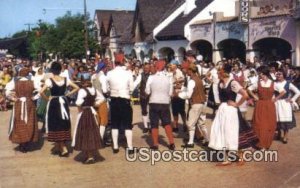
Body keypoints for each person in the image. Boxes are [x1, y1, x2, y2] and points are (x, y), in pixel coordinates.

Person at [209, 64, 257, 166]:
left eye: (219, 71)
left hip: (231, 111)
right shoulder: (220, 83)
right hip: (222, 111)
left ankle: (240, 157)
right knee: (222, 132)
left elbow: (245, 94)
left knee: (233, 132)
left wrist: (237, 104)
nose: (217, 73)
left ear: (224, 72)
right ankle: (227, 159)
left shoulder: (233, 83)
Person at [40, 62, 79, 157]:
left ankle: (63, 147)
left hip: (54, 102)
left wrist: (47, 98)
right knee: (63, 121)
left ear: (52, 71)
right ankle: (60, 145)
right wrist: (68, 94)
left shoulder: (49, 80)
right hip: (63, 101)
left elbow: (41, 92)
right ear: (60, 70)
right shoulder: (66, 79)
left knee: (55, 122)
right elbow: (77, 87)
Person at [248, 66, 286, 150]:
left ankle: (265, 144)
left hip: (269, 105)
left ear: (264, 73)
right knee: (258, 124)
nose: (259, 74)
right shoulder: (258, 83)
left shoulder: (273, 83)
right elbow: (249, 89)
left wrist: (276, 98)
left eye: (260, 73)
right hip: (260, 105)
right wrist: (255, 96)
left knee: (269, 125)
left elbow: (283, 91)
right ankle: (261, 142)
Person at [106, 53, 136, 155]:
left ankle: (115, 146)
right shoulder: (128, 73)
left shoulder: (109, 73)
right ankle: (130, 147)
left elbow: (106, 89)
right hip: (125, 99)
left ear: (115, 62)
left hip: (114, 100)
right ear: (123, 62)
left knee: (115, 124)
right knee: (127, 124)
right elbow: (131, 88)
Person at [5, 67, 39, 152]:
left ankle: (22, 143)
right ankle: (26, 142)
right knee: (29, 122)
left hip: (19, 103)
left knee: (19, 121)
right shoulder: (32, 81)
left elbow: (7, 92)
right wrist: (34, 97)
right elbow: (40, 91)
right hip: (29, 103)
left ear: (20, 73)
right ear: (28, 73)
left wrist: (13, 99)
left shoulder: (15, 81)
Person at [145, 60, 175, 150]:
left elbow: (147, 91)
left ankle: (155, 144)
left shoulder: (151, 77)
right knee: (167, 123)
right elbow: (170, 93)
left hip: (154, 102)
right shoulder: (169, 78)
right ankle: (171, 143)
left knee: (154, 124)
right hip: (165, 102)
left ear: (156, 67)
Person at [177, 63, 208, 148]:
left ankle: (191, 142)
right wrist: (182, 88)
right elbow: (194, 90)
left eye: (187, 70)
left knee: (190, 124)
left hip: (196, 104)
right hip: (202, 103)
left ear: (190, 71)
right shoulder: (199, 79)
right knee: (202, 124)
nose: (186, 71)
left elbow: (188, 95)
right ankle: (207, 140)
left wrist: (178, 94)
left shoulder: (191, 81)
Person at [72, 77, 103, 164]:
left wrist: (80, 110)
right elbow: (102, 98)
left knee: (85, 133)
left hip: (85, 112)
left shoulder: (82, 91)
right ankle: (90, 154)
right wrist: (95, 104)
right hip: (92, 112)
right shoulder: (94, 90)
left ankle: (90, 156)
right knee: (92, 132)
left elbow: (78, 103)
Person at [274, 69, 300, 144]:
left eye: (280, 74)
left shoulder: (288, 84)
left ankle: (285, 136)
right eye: (277, 74)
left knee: (286, 121)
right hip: (277, 103)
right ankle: (278, 133)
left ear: (284, 75)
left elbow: (298, 92)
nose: (278, 75)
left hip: (285, 104)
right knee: (277, 119)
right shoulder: (274, 83)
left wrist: (292, 99)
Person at [91, 61, 109, 141]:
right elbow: (105, 90)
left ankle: (95, 136)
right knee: (103, 120)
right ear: (104, 68)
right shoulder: (103, 77)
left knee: (97, 119)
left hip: (94, 100)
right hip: (102, 100)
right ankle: (100, 138)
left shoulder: (93, 76)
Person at [133, 63, 151, 133]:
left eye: (147, 68)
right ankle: (146, 126)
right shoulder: (141, 75)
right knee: (144, 110)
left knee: (152, 111)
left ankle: (151, 126)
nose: (146, 69)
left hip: (151, 95)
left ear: (149, 68)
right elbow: (135, 83)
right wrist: (130, 89)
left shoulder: (152, 75)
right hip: (143, 95)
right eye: (145, 68)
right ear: (143, 68)